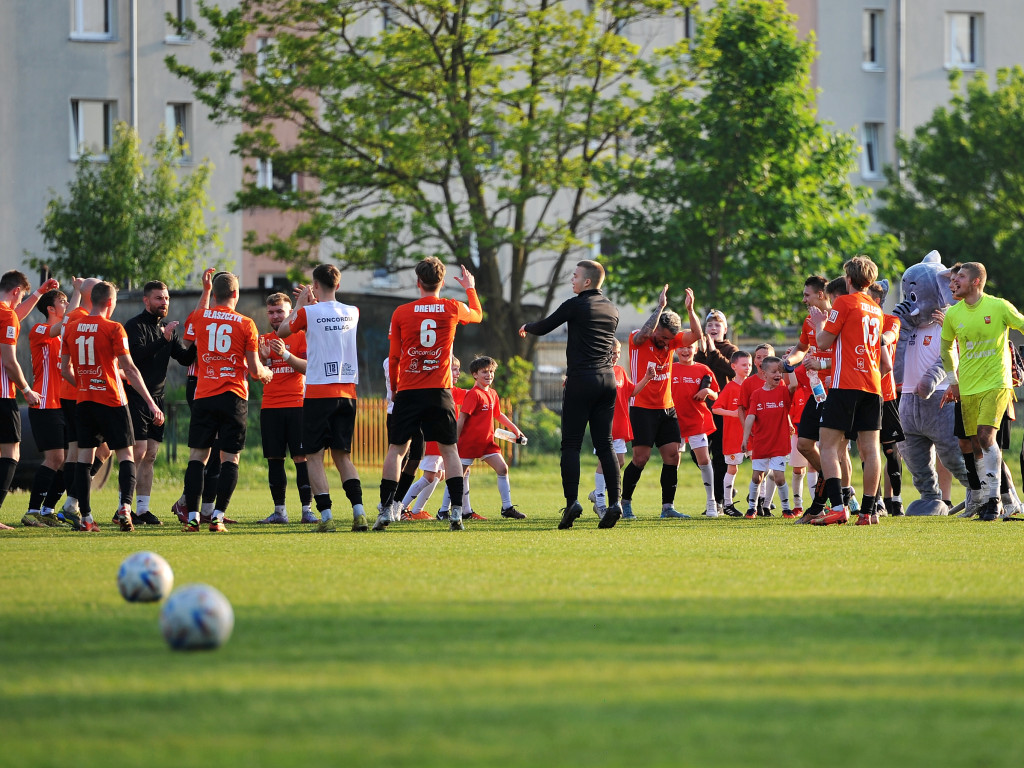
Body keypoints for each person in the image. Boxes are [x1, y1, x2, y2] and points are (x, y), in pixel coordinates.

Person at [519, 260, 625, 529]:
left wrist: (526, 325)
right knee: (606, 445)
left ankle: (572, 503)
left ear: (587, 282)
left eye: (575, 276)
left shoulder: (576, 304)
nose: (572, 280)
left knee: (571, 445)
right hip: (607, 380)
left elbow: (544, 326)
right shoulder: (612, 308)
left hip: (581, 379)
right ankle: (615, 503)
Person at [378, 258, 481, 531]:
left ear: (418, 282)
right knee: (450, 451)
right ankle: (457, 511)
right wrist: (470, 288)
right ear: (442, 282)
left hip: (410, 390)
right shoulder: (451, 307)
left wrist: (395, 388)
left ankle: (386, 510)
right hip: (439, 391)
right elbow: (478, 314)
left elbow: (395, 356)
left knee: (397, 450)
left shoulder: (401, 311)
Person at [61, 281, 165, 532]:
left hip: (85, 401)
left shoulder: (72, 329)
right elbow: (129, 368)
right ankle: (125, 510)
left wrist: (87, 384)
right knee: (127, 455)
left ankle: (85, 518)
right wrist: (151, 404)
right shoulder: (114, 328)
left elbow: (64, 369)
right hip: (112, 401)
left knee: (85, 460)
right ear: (110, 302)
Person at [180, 271, 272, 532]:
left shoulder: (199, 316)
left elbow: (188, 339)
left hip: (204, 395)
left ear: (214, 293)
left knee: (197, 457)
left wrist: (205, 292)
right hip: (233, 397)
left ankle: (193, 517)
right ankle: (218, 517)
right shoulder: (246, 324)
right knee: (230, 459)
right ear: (236, 294)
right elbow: (254, 370)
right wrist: (267, 372)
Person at [279, 264, 364, 532]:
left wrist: (299, 304)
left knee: (314, 456)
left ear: (314, 285)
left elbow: (282, 331)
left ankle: (326, 517)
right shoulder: (353, 311)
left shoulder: (307, 312)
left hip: (318, 391)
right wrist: (312, 304)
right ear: (338, 285)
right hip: (347, 391)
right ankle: (359, 512)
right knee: (343, 456)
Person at [939, 261, 1024, 520]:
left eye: (961, 277)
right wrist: (953, 381)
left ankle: (993, 499)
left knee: (986, 437)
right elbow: (945, 350)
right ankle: (989, 498)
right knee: (975, 444)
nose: (955, 282)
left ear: (976, 281)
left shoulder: (998, 306)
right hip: (968, 387)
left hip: (997, 383)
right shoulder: (954, 314)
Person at [615, 284, 702, 522]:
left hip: (667, 408)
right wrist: (660, 306)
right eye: (662, 337)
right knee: (640, 458)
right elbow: (644, 334)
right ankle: (625, 503)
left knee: (673, 455)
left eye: (669, 339)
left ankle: (667, 507)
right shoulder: (639, 339)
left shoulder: (672, 341)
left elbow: (696, 335)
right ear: (657, 329)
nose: (666, 343)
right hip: (642, 408)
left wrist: (691, 310)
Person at [808, 256, 885, 526]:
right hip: (873, 385)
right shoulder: (876, 308)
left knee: (827, 444)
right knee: (871, 449)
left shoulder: (843, 302)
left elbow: (823, 341)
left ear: (849, 280)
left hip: (846, 384)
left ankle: (839, 507)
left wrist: (820, 324)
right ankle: (868, 512)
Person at [123, 280, 194, 526]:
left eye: (166, 298)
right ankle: (124, 507)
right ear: (146, 300)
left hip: (158, 399)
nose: (164, 303)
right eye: (158, 298)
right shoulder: (134, 326)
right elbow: (136, 357)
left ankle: (142, 510)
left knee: (151, 455)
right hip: (135, 397)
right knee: (138, 452)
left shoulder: (167, 330)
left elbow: (185, 359)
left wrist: (198, 339)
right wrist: (163, 339)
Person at [256, 292, 314, 525]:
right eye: (271, 312)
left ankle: (307, 511)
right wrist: (262, 361)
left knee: (301, 458)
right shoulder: (263, 339)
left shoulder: (300, 336)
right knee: (274, 459)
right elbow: (259, 377)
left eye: (280, 311)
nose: (275, 316)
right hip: (270, 406)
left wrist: (285, 355)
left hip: (297, 405)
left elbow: (308, 368)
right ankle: (280, 512)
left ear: (290, 312)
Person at [0, 270, 51, 522]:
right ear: (16, 292)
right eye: (21, 298)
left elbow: (14, 316)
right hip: (2, 395)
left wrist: (40, 293)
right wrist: (26, 389)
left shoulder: (5, 314)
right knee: (11, 453)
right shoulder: (6, 315)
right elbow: (9, 361)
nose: (20, 304)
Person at [588, 340, 654, 519]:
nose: (615, 355)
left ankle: (597, 492)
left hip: (619, 426)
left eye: (617, 352)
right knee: (605, 461)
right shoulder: (596, 371)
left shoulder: (620, 372)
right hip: (604, 426)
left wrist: (647, 378)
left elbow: (632, 391)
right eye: (611, 352)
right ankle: (600, 502)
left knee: (620, 461)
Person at [21, 289, 71, 528]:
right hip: (43, 403)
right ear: (50, 309)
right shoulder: (39, 329)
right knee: (55, 457)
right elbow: (61, 327)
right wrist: (81, 293)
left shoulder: (64, 335)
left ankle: (48, 510)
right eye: (63, 301)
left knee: (67, 459)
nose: (68, 303)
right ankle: (32, 511)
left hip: (63, 404)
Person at [454, 356, 526, 521]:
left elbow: (498, 414)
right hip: (469, 444)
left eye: (491, 371)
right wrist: (456, 441)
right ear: (475, 375)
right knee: (460, 476)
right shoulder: (473, 394)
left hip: (487, 443)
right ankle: (457, 510)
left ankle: (507, 508)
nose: (489, 375)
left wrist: (515, 429)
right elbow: (462, 419)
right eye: (484, 372)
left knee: (502, 469)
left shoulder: (493, 394)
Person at [400, 356, 467, 520]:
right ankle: (401, 507)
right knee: (429, 476)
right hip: (434, 442)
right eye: (454, 369)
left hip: (442, 441)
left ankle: (416, 511)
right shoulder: (442, 391)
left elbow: (471, 396)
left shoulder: (453, 390)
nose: (458, 373)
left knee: (438, 476)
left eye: (458, 369)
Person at [694, 309, 739, 512]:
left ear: (725, 329)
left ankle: (718, 501)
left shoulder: (730, 350)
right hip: (701, 410)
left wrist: (714, 352)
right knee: (698, 455)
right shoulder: (698, 350)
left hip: (722, 409)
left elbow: (732, 370)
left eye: (717, 324)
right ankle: (721, 483)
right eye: (709, 324)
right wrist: (704, 351)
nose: (713, 328)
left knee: (720, 454)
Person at [867, 281, 904, 517]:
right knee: (867, 448)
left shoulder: (891, 321)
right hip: (864, 392)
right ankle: (877, 500)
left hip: (887, 393)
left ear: (877, 301)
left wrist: (877, 336)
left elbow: (889, 337)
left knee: (890, 449)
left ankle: (896, 501)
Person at [670, 341, 720, 517]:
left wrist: (707, 391)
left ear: (696, 349)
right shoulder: (670, 368)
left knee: (704, 460)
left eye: (690, 347)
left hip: (697, 421)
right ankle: (669, 505)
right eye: (682, 347)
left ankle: (711, 502)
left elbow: (716, 393)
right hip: (673, 421)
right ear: (676, 349)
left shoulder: (703, 370)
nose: (685, 350)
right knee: (673, 462)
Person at [740, 356, 793, 518]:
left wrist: (789, 369)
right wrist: (745, 438)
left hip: (779, 442)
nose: (778, 374)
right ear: (764, 374)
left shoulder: (783, 391)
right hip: (761, 442)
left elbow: (795, 385)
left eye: (780, 371)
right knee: (757, 477)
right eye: (774, 371)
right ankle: (752, 508)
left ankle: (786, 508)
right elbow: (750, 417)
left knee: (779, 477)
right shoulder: (756, 394)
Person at [712, 349, 752, 517]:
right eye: (744, 365)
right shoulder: (730, 387)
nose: (748, 368)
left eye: (749, 365)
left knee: (761, 467)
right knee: (732, 469)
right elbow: (715, 408)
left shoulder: (753, 385)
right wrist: (733, 413)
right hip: (734, 435)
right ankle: (727, 504)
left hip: (752, 435)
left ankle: (758, 502)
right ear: (734, 366)